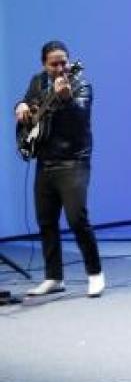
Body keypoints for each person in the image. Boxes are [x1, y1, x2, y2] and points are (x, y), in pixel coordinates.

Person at [14, 40, 105, 298]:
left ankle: (95, 274)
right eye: (54, 63)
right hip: (45, 161)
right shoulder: (37, 81)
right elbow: (28, 103)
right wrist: (19, 106)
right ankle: (54, 277)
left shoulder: (81, 84)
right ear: (44, 64)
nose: (60, 67)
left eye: (63, 62)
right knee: (46, 222)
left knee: (77, 219)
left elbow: (80, 115)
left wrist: (66, 98)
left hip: (73, 161)